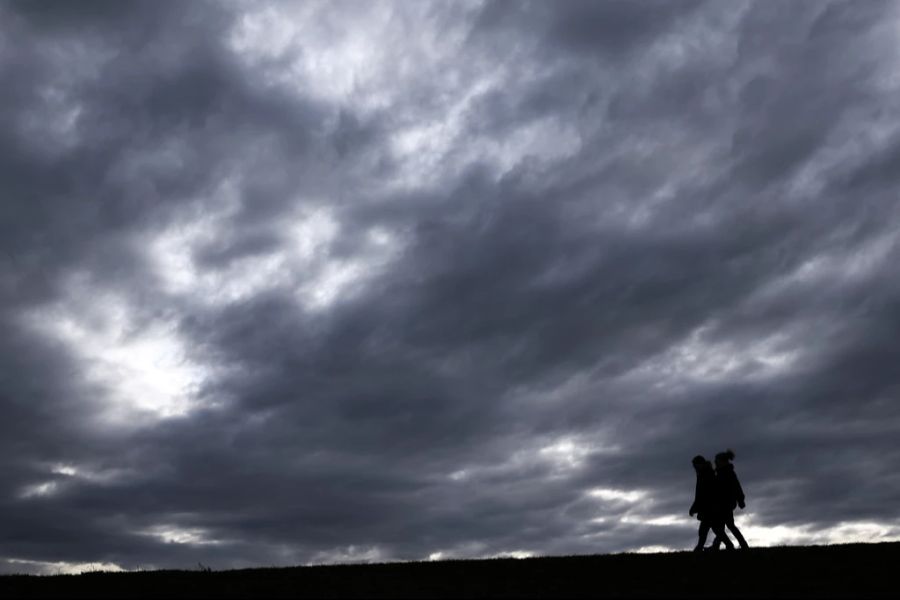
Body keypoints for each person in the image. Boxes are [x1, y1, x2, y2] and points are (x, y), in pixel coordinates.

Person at [689, 455, 733, 552]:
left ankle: (700, 548)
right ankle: (728, 545)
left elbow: (702, 493)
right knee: (712, 530)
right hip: (709, 508)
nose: (694, 467)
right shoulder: (704, 473)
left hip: (710, 509)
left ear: (700, 464)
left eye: (695, 465)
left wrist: (694, 507)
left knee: (709, 530)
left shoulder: (706, 474)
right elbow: (700, 494)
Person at [711, 449, 750, 550]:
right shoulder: (721, 472)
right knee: (726, 525)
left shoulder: (727, 472)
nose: (715, 461)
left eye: (717, 460)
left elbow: (737, 486)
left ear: (722, 461)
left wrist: (740, 500)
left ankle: (739, 544)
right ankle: (742, 544)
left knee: (724, 525)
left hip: (726, 503)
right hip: (723, 503)